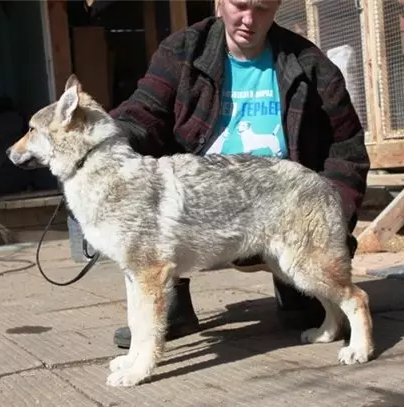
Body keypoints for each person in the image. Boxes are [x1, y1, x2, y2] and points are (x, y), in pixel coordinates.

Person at [106, 0, 370, 349]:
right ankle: (175, 304)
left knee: (309, 305)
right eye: (239, 5)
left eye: (261, 8)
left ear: (276, 6)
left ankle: (300, 294)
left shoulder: (310, 64)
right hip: (198, 215)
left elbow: (346, 149)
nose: (248, 19)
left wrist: (331, 218)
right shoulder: (182, 51)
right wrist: (104, 146)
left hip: (280, 211)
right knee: (154, 273)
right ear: (219, 3)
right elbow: (143, 114)